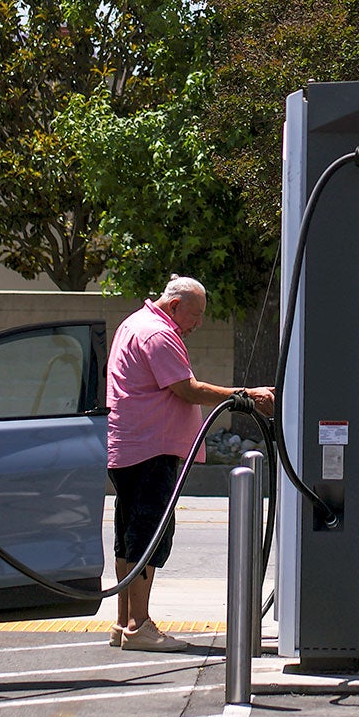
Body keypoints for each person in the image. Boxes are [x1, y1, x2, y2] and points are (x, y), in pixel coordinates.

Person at [105, 275, 274, 651]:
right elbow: (187, 389)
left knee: (129, 531)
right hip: (152, 447)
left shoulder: (134, 323)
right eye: (195, 315)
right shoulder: (158, 334)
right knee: (150, 534)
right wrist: (245, 395)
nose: (197, 324)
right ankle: (139, 625)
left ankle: (122, 623)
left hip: (129, 445)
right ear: (176, 305)